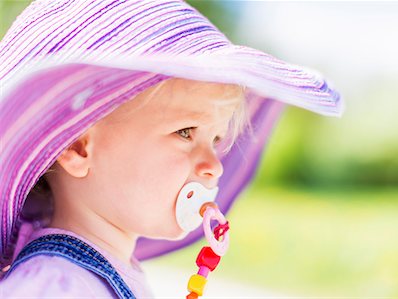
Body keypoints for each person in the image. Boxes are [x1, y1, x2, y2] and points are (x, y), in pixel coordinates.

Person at [0, 0, 343, 297]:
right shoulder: (53, 285)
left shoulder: (103, 271)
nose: (215, 165)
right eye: (185, 132)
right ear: (79, 148)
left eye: (216, 139)